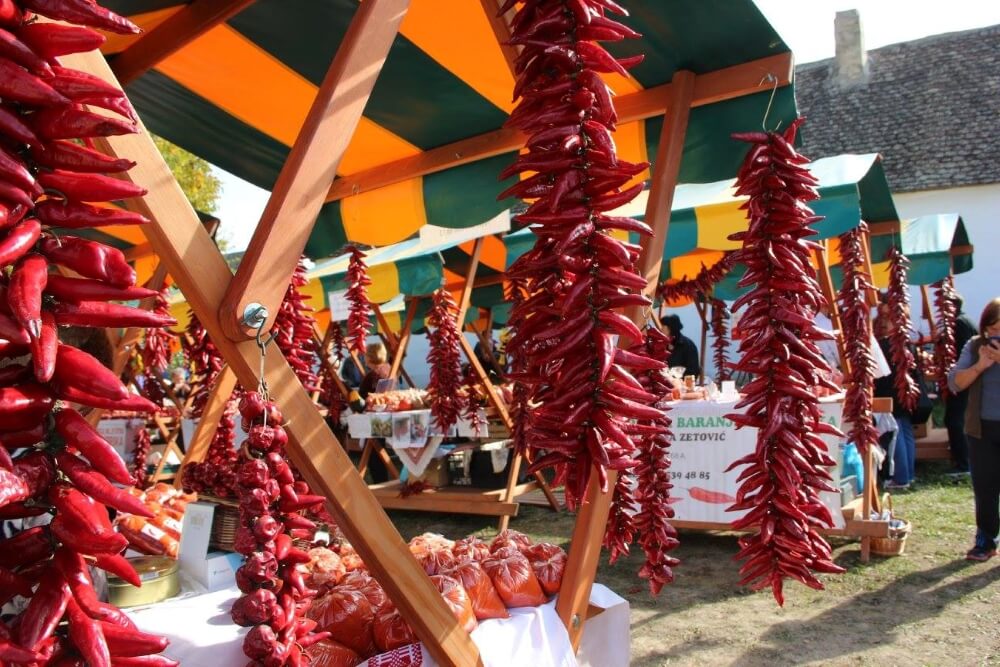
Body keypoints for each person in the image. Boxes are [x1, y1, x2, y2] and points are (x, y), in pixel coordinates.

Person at [947, 297, 1000, 561]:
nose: (995, 335)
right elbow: (955, 383)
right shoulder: (975, 345)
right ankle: (986, 540)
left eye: (999, 328)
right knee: (985, 486)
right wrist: (980, 365)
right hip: (981, 428)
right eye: (991, 329)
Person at [873, 304, 918, 490]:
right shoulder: (905, 343)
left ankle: (901, 478)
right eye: (881, 316)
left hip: (891, 392)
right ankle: (909, 474)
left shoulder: (887, 345)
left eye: (888, 317)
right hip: (903, 393)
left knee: (896, 433)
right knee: (905, 432)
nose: (883, 321)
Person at [944, 294, 978, 475]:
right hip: (970, 378)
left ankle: (964, 464)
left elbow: (960, 355)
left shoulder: (959, 324)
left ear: (953, 306)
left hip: (963, 379)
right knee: (960, 419)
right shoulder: (967, 320)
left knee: (954, 420)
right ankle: (966, 462)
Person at [660, 314, 701, 378]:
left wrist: (678, 381)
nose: (661, 329)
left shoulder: (688, 345)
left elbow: (693, 370)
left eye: (663, 327)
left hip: (681, 384)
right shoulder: (661, 343)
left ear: (670, 328)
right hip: (662, 383)